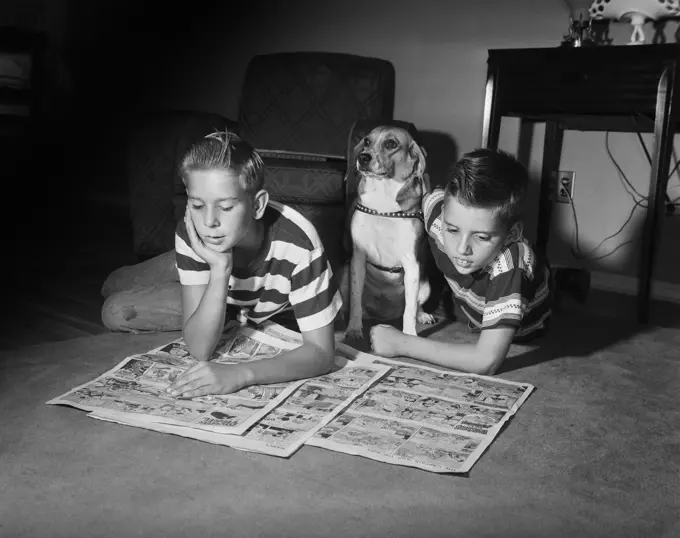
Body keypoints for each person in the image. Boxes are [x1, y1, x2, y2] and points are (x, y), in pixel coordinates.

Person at [108, 130, 342, 398]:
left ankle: (161, 272)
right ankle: (143, 272)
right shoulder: (193, 231)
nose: (209, 222)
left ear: (257, 205)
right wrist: (220, 269)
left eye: (226, 207)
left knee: (114, 310)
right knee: (114, 285)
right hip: (204, 271)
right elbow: (199, 348)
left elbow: (322, 353)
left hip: (231, 303)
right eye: (196, 205)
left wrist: (241, 374)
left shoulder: (299, 242)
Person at [368, 148, 552, 375]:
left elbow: (486, 361)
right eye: (452, 229)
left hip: (524, 329)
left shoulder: (510, 264)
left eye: (482, 237)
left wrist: (401, 343)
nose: (462, 248)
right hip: (469, 303)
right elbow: (420, 192)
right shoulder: (435, 210)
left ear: (512, 234)